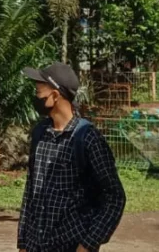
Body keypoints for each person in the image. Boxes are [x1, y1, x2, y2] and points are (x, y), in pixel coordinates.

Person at [18, 63, 126, 252]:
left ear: (55, 95)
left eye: (39, 91)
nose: (36, 97)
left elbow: (115, 197)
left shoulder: (87, 138)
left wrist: (88, 244)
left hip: (70, 245)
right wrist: (23, 243)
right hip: (36, 245)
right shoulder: (39, 134)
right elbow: (30, 192)